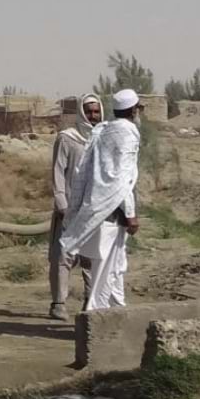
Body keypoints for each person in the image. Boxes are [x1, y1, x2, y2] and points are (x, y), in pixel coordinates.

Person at [59, 90, 144, 359]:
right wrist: (130, 213)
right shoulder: (127, 132)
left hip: (99, 211)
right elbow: (122, 178)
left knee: (115, 271)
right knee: (103, 276)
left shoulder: (104, 130)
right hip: (111, 214)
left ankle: (120, 321)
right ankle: (93, 330)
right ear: (133, 111)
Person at [47, 94, 103, 319]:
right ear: (81, 112)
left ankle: (90, 304)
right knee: (63, 257)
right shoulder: (67, 139)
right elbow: (58, 171)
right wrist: (62, 203)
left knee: (92, 258)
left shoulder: (103, 137)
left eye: (96, 111)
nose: (93, 116)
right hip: (70, 207)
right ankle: (59, 303)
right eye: (89, 111)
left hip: (94, 209)